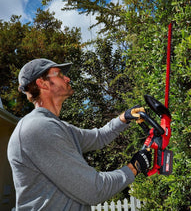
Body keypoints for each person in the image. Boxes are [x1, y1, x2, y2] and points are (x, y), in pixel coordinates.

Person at [7, 58, 151, 211]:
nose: (67, 78)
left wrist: (124, 118)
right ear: (42, 83)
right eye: (59, 74)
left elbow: (98, 137)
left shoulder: (57, 127)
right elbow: (94, 190)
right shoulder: (38, 128)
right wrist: (134, 167)